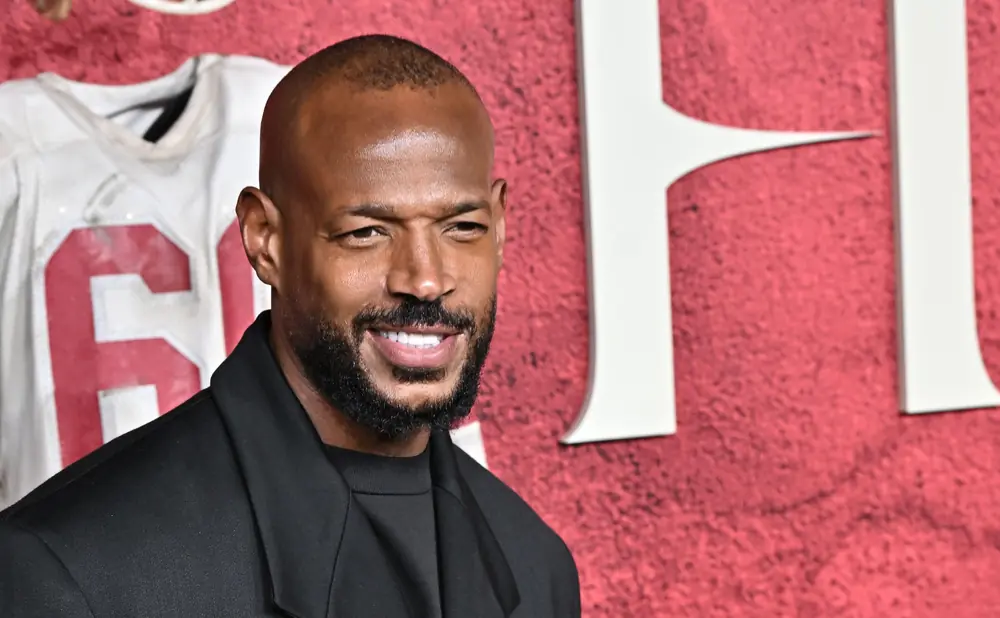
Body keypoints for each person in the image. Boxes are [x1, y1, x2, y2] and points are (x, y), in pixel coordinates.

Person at [0, 35, 581, 617]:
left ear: (501, 228)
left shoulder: (536, 567)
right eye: (366, 233)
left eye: (462, 228)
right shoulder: (66, 573)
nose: (425, 280)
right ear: (264, 239)